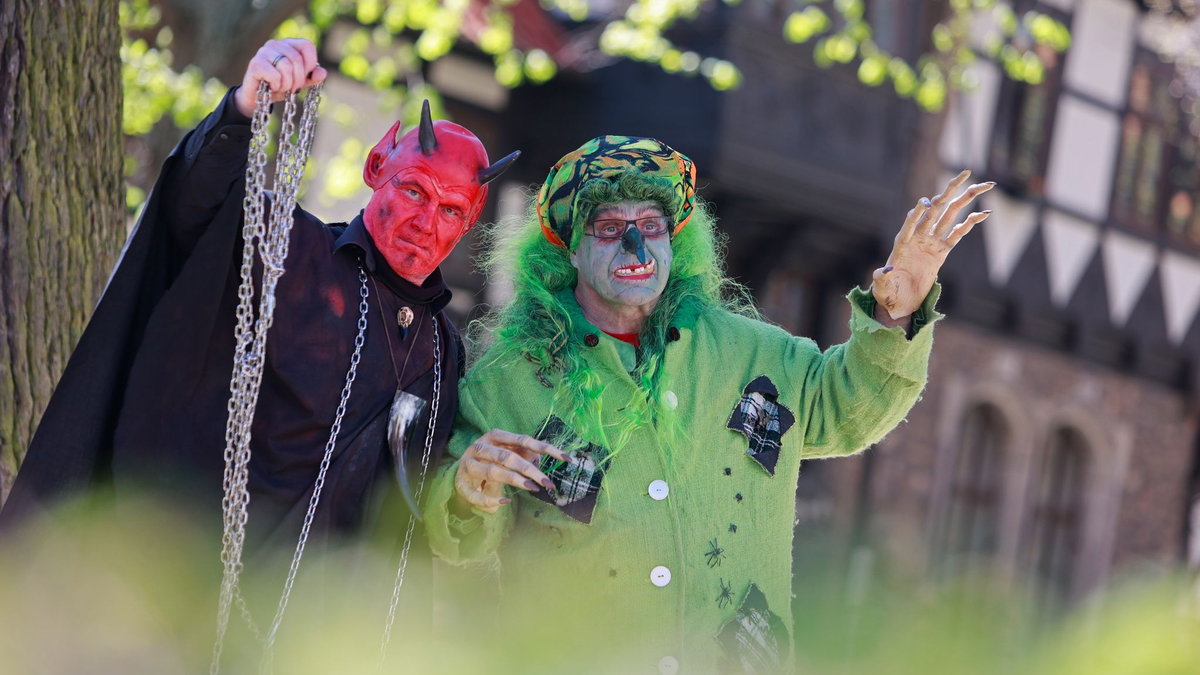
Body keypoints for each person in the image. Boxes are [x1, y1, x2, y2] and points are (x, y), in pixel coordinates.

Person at [1, 36, 515, 637]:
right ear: (378, 167)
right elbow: (196, 207)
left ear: (472, 221)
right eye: (414, 191)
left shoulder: (444, 351)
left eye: (452, 210)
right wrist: (247, 107)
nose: (426, 224)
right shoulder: (288, 251)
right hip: (195, 603)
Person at [422, 136, 992, 672]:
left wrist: (896, 316)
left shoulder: (755, 355)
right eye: (608, 227)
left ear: (675, 240)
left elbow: (849, 411)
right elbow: (459, 538)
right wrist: (467, 491)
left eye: (652, 224)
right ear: (569, 251)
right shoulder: (508, 380)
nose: (635, 244)